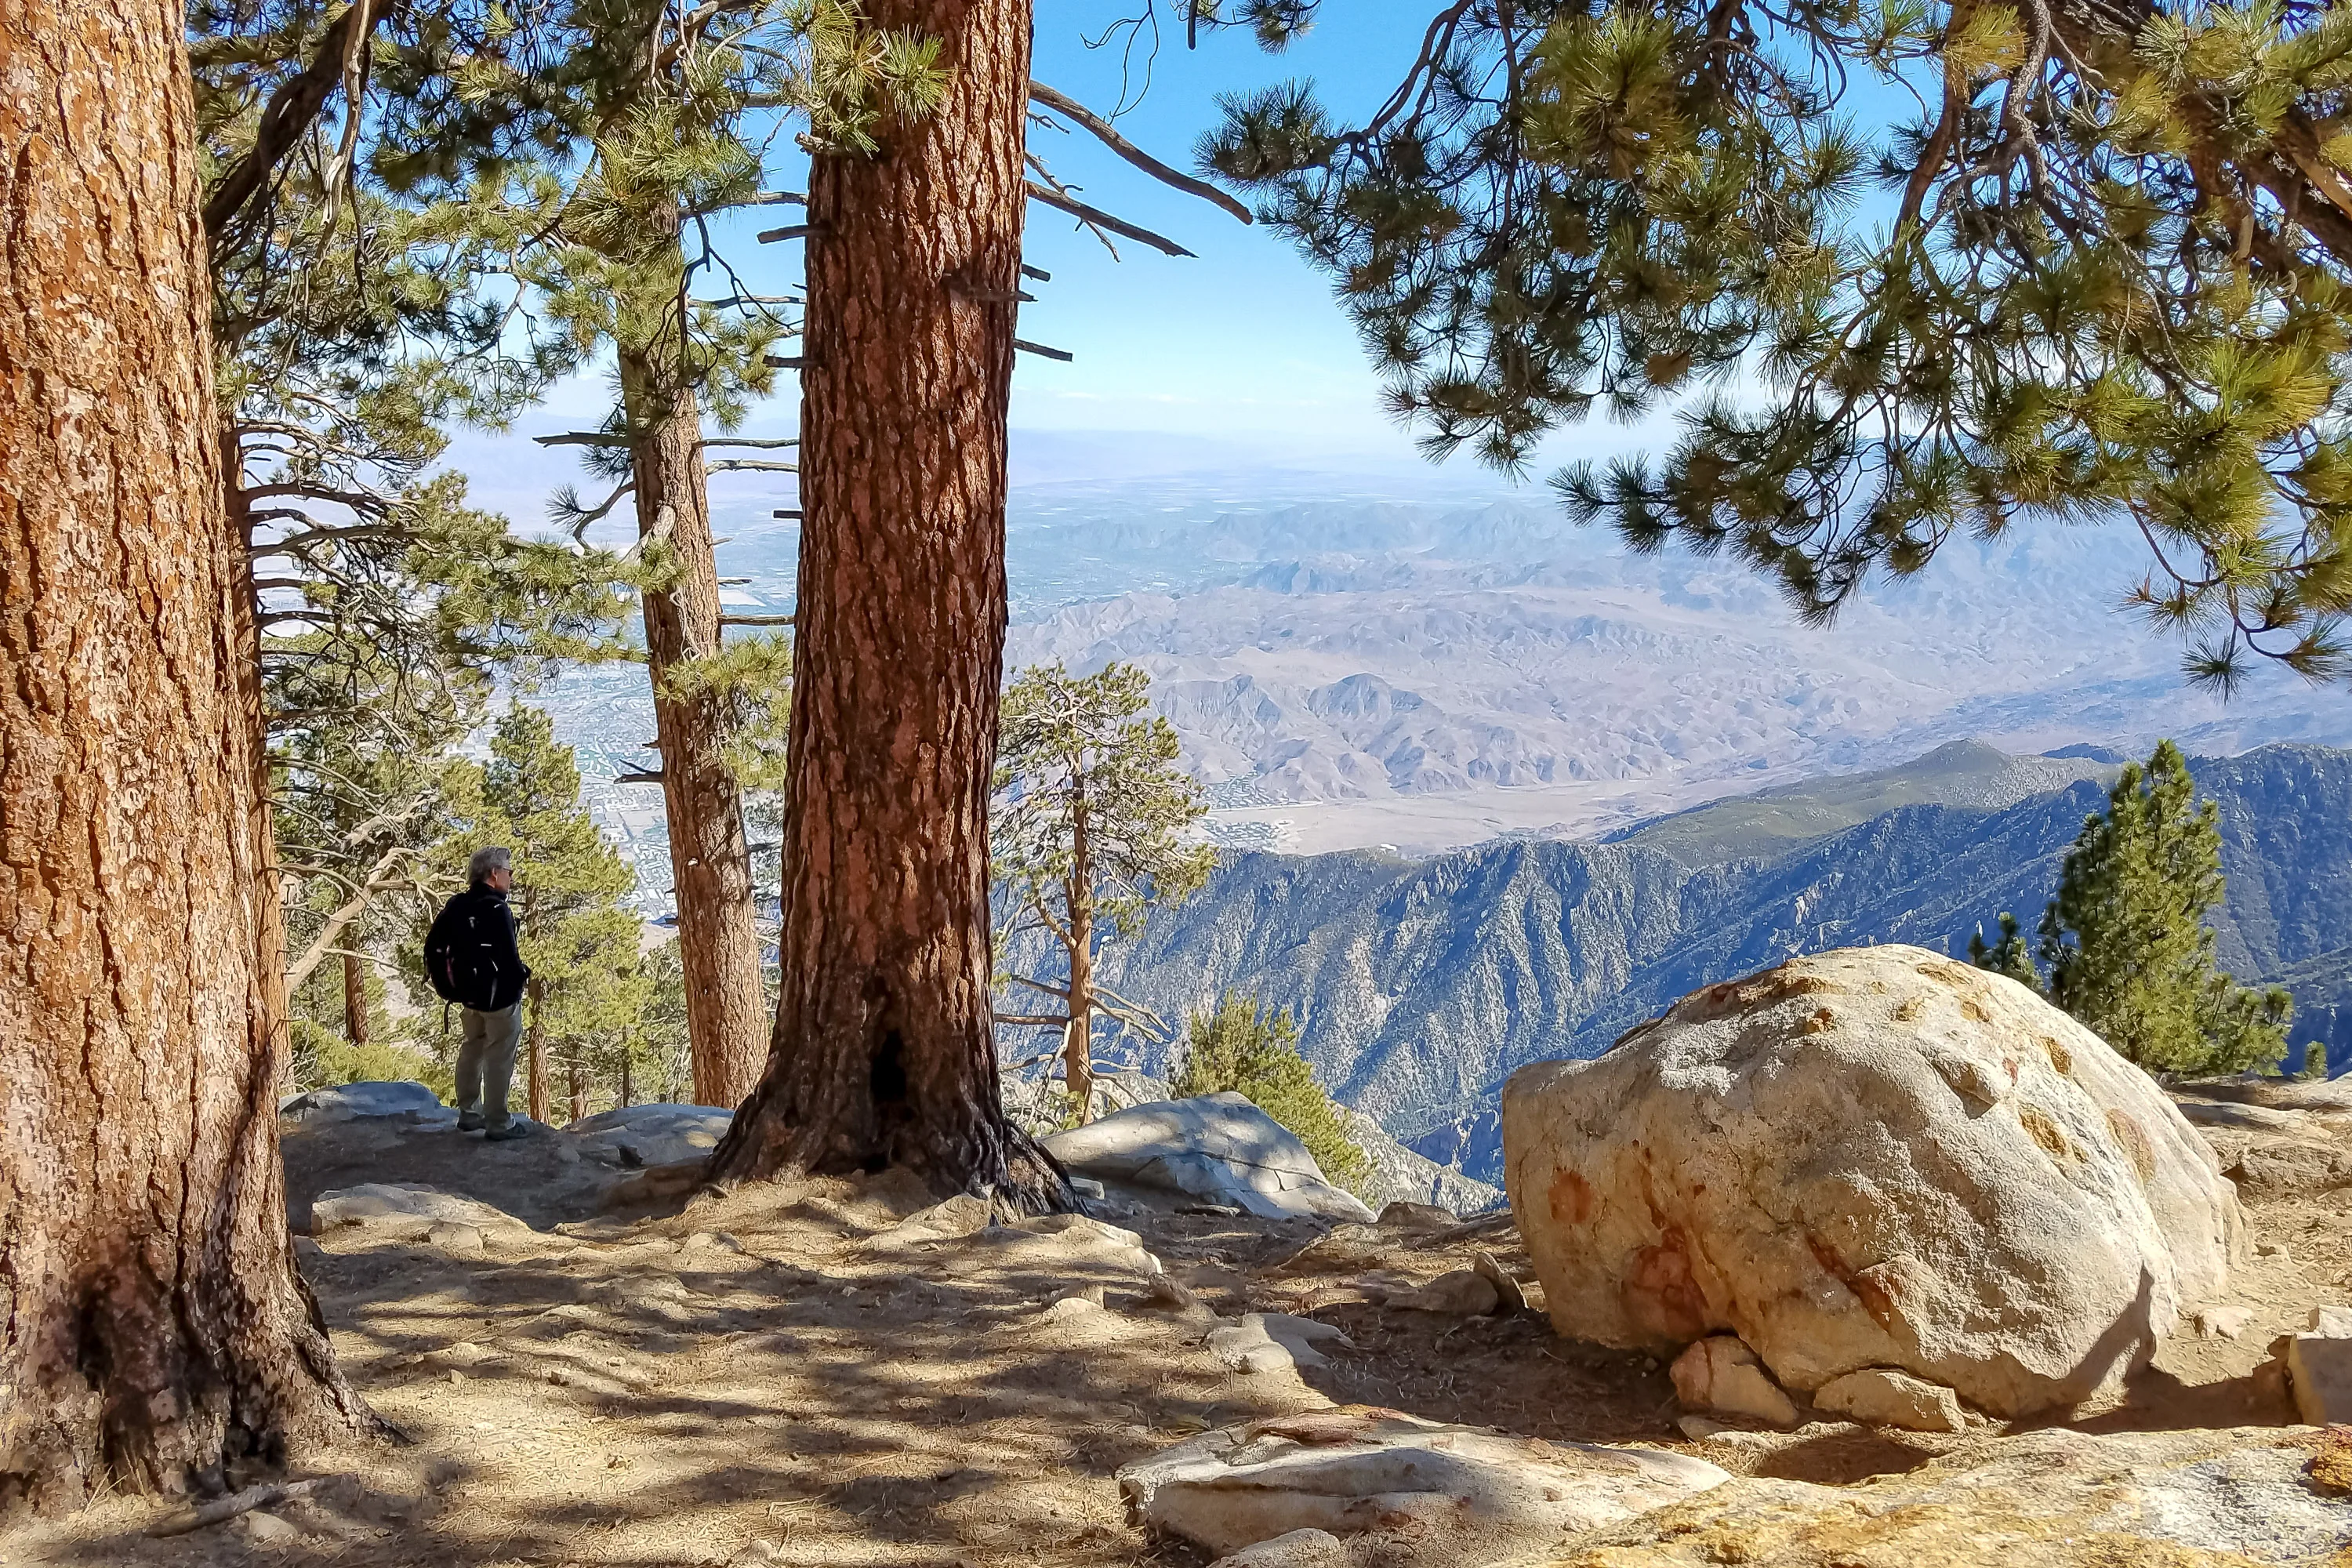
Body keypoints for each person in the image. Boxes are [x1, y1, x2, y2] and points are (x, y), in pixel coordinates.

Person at [423, 846, 535, 1140]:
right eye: (509, 871)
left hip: (468, 997)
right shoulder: (498, 909)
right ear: (494, 874)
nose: (511, 877)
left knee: (471, 1049)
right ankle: (498, 1123)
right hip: (500, 1001)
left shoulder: (458, 904)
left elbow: (433, 945)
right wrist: (521, 978)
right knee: (499, 1057)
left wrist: (450, 986)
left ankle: (469, 1114)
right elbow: (509, 958)